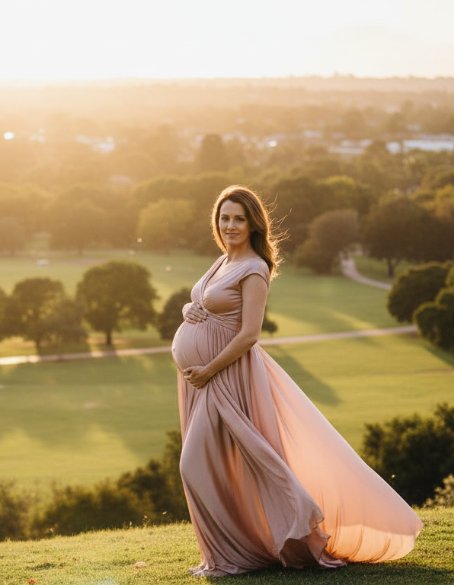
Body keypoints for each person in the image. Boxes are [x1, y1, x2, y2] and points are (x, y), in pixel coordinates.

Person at [171, 185, 422, 577]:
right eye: (224, 217)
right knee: (217, 465)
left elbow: (249, 334)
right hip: (201, 380)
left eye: (239, 218)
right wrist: (192, 311)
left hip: (226, 378)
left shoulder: (253, 268)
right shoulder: (222, 261)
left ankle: (238, 554)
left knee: (195, 465)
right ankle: (226, 554)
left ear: (253, 224)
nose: (230, 225)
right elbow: (209, 305)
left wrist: (208, 368)